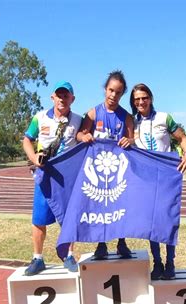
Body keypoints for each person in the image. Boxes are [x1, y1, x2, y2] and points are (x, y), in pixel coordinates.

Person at [130, 83, 186, 280]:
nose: (141, 101)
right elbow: (127, 142)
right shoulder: (132, 122)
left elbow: (181, 137)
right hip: (145, 179)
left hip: (166, 176)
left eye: (144, 97)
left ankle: (170, 263)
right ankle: (157, 263)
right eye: (137, 99)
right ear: (133, 101)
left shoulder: (164, 118)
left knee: (168, 218)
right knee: (152, 223)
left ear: (151, 98)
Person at [22, 81, 82, 275]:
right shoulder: (39, 118)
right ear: (52, 97)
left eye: (66, 96)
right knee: (39, 219)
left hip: (67, 179)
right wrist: (34, 158)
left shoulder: (79, 120)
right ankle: (37, 258)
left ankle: (69, 255)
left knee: (69, 218)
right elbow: (27, 140)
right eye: (59, 95)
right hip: (44, 176)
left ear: (72, 99)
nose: (62, 99)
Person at [76, 70, 134, 260]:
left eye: (118, 92)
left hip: (118, 170)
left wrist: (130, 141)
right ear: (105, 89)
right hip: (98, 169)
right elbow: (79, 134)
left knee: (119, 206)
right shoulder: (94, 113)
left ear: (122, 94)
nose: (113, 95)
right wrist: (84, 135)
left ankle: (121, 242)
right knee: (100, 207)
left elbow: (133, 139)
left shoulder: (126, 117)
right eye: (111, 90)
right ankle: (101, 244)